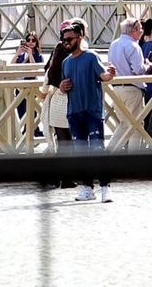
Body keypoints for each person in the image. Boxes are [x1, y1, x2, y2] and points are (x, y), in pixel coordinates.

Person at [59, 21, 117, 201]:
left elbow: (103, 75)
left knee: (98, 149)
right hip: (74, 112)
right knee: (81, 152)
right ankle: (87, 187)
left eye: (69, 39)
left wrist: (110, 75)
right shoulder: (66, 62)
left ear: (79, 38)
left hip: (92, 111)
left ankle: (105, 187)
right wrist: (62, 87)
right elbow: (63, 85)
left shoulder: (91, 56)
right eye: (63, 39)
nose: (66, 42)